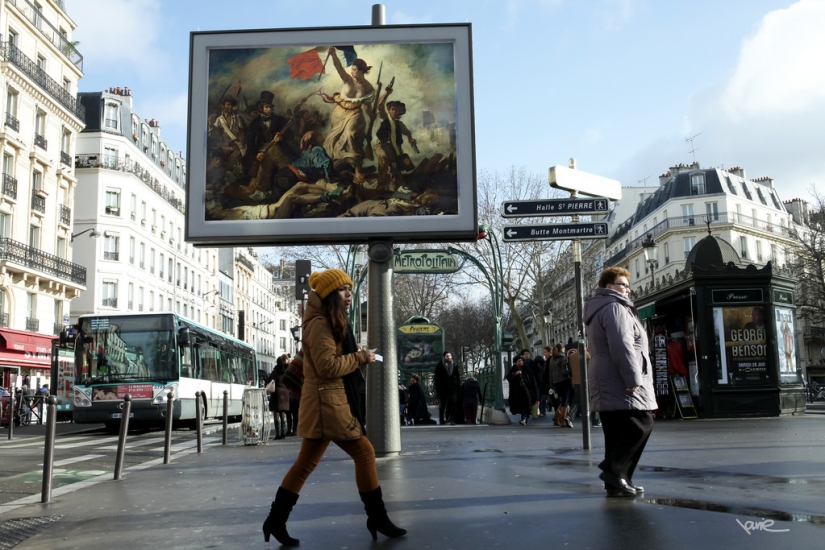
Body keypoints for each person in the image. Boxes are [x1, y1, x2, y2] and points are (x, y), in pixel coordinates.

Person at [262, 269, 405, 545]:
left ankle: (275, 520)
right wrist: (361, 357)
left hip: (326, 402)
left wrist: (357, 355)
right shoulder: (320, 324)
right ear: (329, 295)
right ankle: (377, 517)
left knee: (305, 464)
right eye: (342, 290)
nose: (349, 294)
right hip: (328, 404)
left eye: (349, 289)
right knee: (364, 453)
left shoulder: (328, 320)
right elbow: (328, 366)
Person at [583, 267, 656, 498]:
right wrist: (633, 378)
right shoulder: (615, 307)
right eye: (622, 284)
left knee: (616, 431)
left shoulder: (601, 308)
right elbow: (622, 345)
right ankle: (613, 470)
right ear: (608, 286)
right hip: (618, 377)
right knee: (642, 422)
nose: (627, 289)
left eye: (627, 285)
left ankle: (619, 482)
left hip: (606, 377)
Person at [320, 53, 375, 183]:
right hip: (339, 112)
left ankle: (357, 169)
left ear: (362, 71)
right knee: (334, 139)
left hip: (355, 113)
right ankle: (335, 166)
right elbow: (338, 67)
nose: (352, 71)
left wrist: (371, 114)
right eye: (352, 69)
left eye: (355, 70)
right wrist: (333, 55)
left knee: (351, 135)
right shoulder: (347, 79)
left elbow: (367, 106)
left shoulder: (368, 87)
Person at [547, 344, 573, 428]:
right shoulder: (563, 358)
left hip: (555, 382)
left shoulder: (552, 359)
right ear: (562, 349)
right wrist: (571, 372)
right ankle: (562, 420)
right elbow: (564, 372)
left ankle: (556, 417)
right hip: (564, 381)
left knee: (562, 401)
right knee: (565, 400)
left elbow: (550, 373)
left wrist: (551, 385)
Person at [434, 351, 461, 425]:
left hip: (453, 388)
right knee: (442, 405)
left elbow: (458, 378)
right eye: (447, 356)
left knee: (453, 403)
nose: (449, 357)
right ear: (444, 357)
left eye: (450, 356)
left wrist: (458, 388)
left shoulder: (455, 366)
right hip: (443, 389)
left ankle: (452, 419)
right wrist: (438, 390)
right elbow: (436, 379)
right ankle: (442, 419)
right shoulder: (439, 366)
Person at [507, 357, 535, 425]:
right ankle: (524, 417)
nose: (521, 362)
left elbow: (531, 379)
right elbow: (509, 377)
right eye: (519, 361)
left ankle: (524, 418)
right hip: (517, 391)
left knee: (526, 404)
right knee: (520, 404)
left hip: (526, 389)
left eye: (521, 361)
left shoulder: (526, 369)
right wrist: (515, 374)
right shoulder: (513, 369)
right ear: (515, 362)